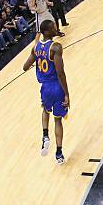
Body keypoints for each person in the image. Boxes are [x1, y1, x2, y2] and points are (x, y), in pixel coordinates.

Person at [22, 20, 70, 164]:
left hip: (45, 88)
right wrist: (67, 93)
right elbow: (60, 73)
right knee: (57, 120)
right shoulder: (56, 47)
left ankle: (45, 136)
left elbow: (25, 67)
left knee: (45, 110)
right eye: (54, 28)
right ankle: (59, 154)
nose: (56, 29)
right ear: (48, 31)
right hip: (57, 86)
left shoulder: (36, 47)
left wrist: (36, 59)